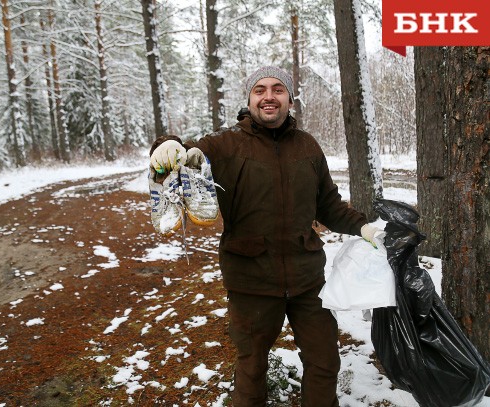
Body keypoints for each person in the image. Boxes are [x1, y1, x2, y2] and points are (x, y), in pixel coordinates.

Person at [148, 66, 379, 406]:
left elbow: (328, 204)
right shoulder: (225, 146)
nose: (269, 96)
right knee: (251, 369)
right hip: (251, 282)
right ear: (250, 98)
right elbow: (188, 153)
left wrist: (363, 227)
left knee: (324, 361)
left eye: (277, 89)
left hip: (307, 280)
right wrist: (165, 145)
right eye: (260, 90)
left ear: (288, 98)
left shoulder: (307, 147)